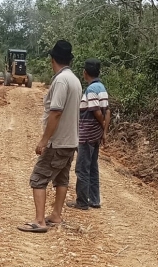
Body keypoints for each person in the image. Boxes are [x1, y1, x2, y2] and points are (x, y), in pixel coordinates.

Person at [17, 40, 82, 233]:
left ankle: (39, 221)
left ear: (52, 59)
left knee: (38, 178)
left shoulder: (61, 81)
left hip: (58, 141)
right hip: (71, 141)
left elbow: (55, 112)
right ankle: (56, 215)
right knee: (61, 178)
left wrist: (44, 140)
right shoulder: (75, 80)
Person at [67, 59, 111, 210]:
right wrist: (104, 132)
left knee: (82, 168)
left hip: (86, 135)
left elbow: (96, 111)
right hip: (96, 135)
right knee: (93, 167)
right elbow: (108, 111)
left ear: (85, 73)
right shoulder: (102, 88)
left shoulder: (91, 90)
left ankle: (82, 202)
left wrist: (103, 124)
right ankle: (94, 199)